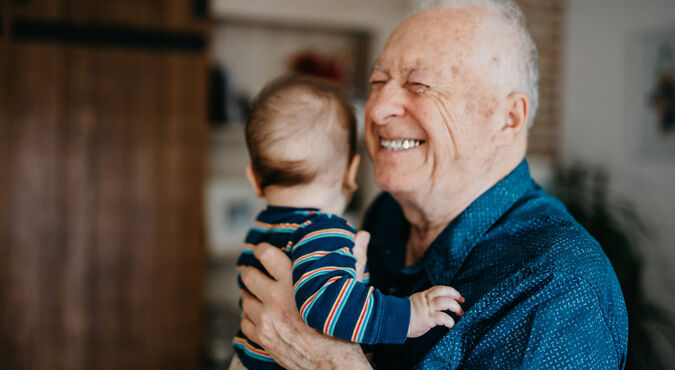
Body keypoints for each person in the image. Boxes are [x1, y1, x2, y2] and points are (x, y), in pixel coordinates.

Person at [237, 0, 629, 368]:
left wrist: (327, 361)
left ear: (508, 118)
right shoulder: (387, 214)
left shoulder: (561, 290)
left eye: (419, 84)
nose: (377, 109)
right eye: (377, 80)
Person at [232, 74, 465, 369]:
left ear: (253, 178)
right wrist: (409, 314)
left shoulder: (261, 229)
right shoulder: (324, 230)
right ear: (350, 173)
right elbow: (327, 304)